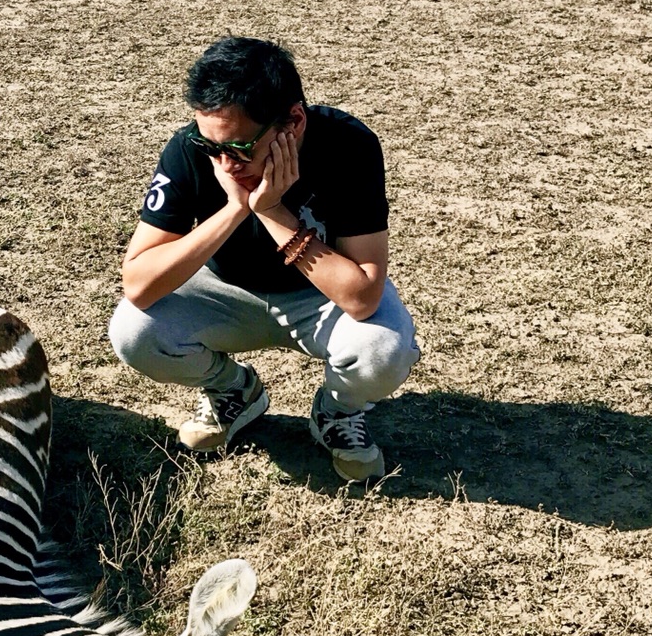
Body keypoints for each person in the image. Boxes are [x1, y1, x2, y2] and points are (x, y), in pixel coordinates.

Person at [108, 37, 420, 481]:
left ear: (293, 121)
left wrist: (272, 211)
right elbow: (138, 282)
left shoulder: (349, 145)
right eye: (209, 145)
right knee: (133, 331)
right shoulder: (188, 150)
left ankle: (337, 412)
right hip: (224, 294)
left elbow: (362, 297)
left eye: (238, 149)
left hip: (319, 299)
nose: (224, 163)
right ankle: (234, 391)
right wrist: (235, 208)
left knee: (383, 349)